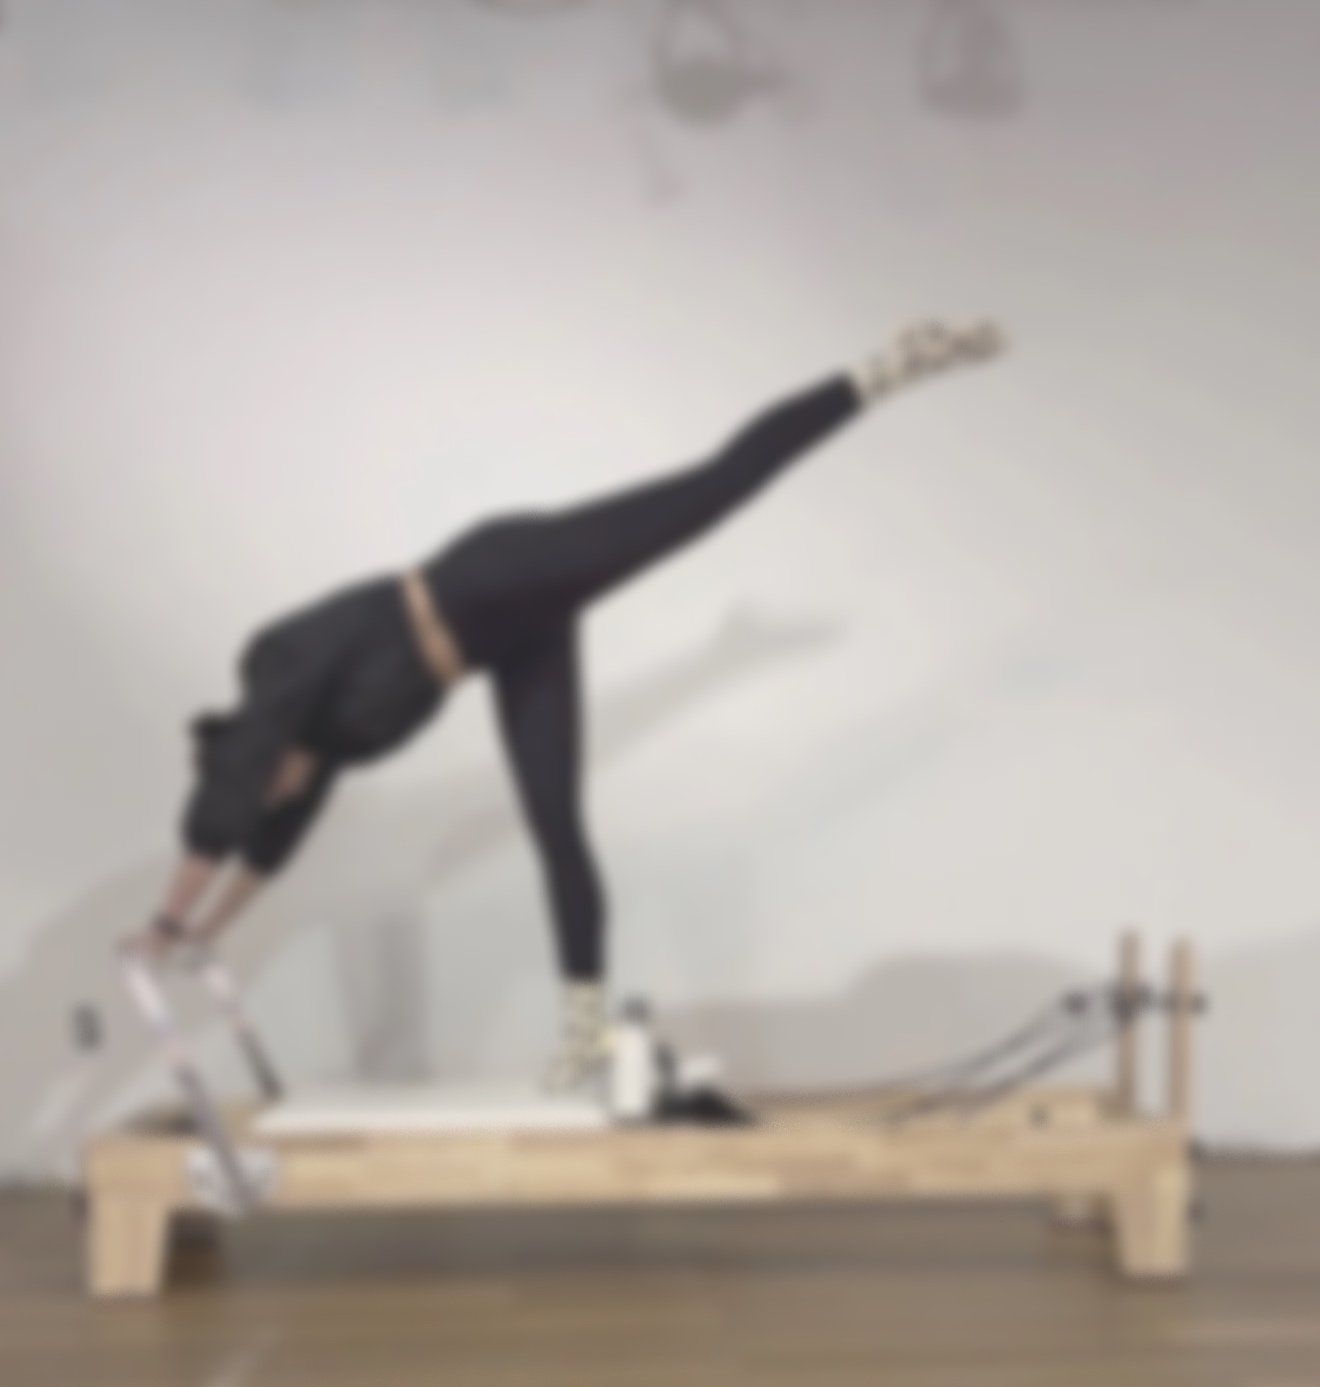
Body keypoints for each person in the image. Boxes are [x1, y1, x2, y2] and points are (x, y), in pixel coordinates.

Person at [130, 320, 1006, 1090]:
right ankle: (585, 1037)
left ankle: (889, 366)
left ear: (248, 749)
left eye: (267, 783)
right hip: (510, 645)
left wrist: (166, 920)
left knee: (708, 493)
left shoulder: (275, 667)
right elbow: (264, 855)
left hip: (491, 579)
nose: (281, 794)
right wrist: (206, 939)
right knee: (557, 826)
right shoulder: (323, 752)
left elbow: (227, 808)